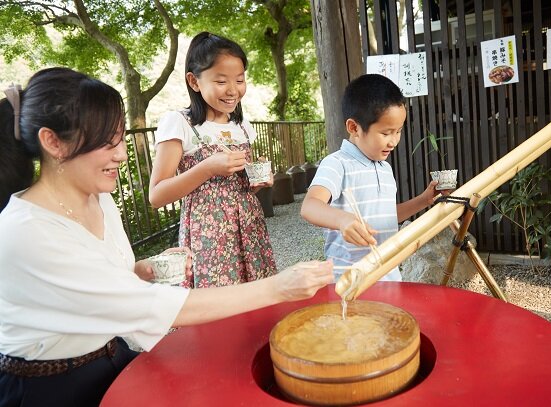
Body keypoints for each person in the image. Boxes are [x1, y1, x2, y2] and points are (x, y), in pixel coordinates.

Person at [0, 67, 333, 407]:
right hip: (49, 386)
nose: (120, 154)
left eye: (120, 139)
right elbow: (147, 307)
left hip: (113, 354)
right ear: (52, 141)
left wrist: (136, 270)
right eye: (105, 143)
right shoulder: (25, 230)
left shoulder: (98, 197)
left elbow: (86, 288)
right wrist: (279, 286)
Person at [149, 32, 276, 289]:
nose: (233, 90)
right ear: (194, 81)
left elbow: (239, 187)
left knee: (257, 298)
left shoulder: (241, 125)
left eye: (239, 80)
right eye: (221, 81)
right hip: (209, 239)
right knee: (219, 307)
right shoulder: (179, 123)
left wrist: (258, 182)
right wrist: (207, 168)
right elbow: (157, 195)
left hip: (250, 230)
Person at [301, 73, 441, 281]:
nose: (393, 141)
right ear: (354, 127)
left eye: (398, 131)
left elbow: (386, 216)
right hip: (349, 282)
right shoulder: (336, 164)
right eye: (386, 133)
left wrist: (424, 200)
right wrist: (342, 220)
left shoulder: (385, 168)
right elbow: (309, 206)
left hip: (389, 276)